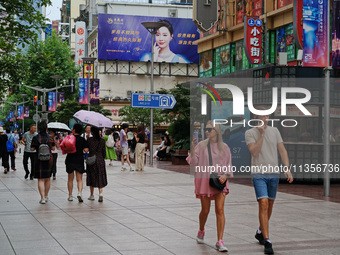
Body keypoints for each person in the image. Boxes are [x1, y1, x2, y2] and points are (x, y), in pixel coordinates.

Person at [245, 108, 293, 255]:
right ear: (255, 116)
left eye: (267, 115)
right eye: (263, 115)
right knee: (263, 202)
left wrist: (287, 168)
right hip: (258, 173)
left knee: (270, 204)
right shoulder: (250, 133)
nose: (266, 117)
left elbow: (282, 150)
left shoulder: (275, 131)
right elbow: (254, 152)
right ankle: (267, 240)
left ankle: (260, 230)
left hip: (274, 173)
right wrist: (262, 134)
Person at [186, 121, 233, 252]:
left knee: (220, 210)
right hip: (205, 181)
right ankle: (201, 230)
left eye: (210, 129)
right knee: (205, 210)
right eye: (206, 129)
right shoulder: (201, 146)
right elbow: (193, 163)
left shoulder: (225, 147)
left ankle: (220, 241)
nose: (207, 132)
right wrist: (193, 148)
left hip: (220, 182)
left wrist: (226, 174)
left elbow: (228, 164)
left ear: (217, 131)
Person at [30, 121, 55, 204]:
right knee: (47, 179)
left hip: (38, 159)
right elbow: (53, 148)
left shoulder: (36, 137)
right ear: (46, 128)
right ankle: (46, 195)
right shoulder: (50, 137)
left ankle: (42, 198)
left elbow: (32, 149)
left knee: (40, 179)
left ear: (39, 128)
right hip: (49, 159)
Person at [65, 123, 89, 202]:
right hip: (79, 159)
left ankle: (70, 195)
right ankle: (80, 192)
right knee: (79, 179)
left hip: (70, 159)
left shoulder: (69, 138)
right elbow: (86, 150)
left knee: (70, 179)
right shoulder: (82, 139)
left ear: (74, 130)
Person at [86, 126, 107, 202]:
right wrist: (102, 157)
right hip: (100, 159)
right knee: (100, 176)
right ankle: (100, 193)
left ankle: (92, 195)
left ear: (92, 132)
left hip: (92, 159)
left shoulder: (89, 140)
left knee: (91, 176)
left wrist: (87, 138)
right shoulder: (102, 140)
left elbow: (86, 149)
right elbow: (104, 152)